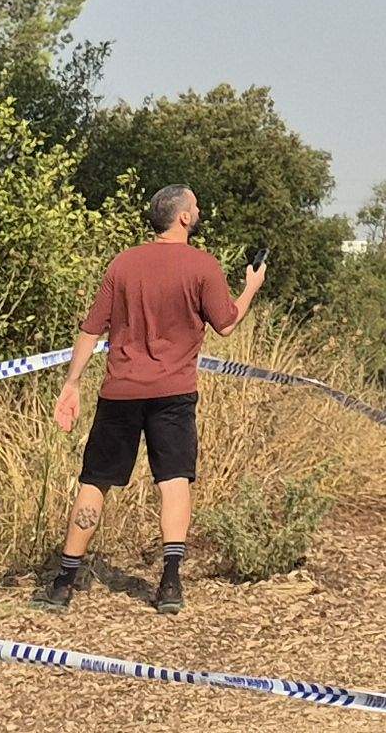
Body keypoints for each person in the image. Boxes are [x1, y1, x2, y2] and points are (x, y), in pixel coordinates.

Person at [43, 183, 262, 612]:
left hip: (119, 391)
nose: (198, 210)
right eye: (195, 205)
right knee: (174, 480)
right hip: (173, 394)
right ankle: (170, 584)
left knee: (96, 480)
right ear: (183, 217)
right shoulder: (202, 266)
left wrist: (71, 384)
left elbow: (91, 330)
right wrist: (251, 285)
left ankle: (63, 583)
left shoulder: (123, 264)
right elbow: (227, 323)